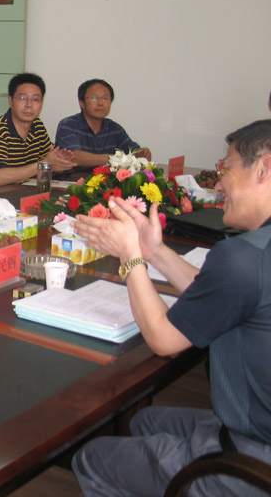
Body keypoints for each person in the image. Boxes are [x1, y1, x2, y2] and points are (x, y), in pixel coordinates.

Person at [71, 119, 271, 496]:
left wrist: (131, 256)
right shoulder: (258, 253)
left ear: (264, 168)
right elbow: (220, 297)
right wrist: (154, 251)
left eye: (226, 168)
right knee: (144, 420)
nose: (218, 184)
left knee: (91, 457)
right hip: (253, 429)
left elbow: (163, 339)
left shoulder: (244, 256)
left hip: (254, 461)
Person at [0, 72, 76, 190]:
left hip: (24, 192)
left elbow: (47, 160)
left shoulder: (37, 125)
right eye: (23, 98)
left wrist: (60, 161)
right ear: (10, 101)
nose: (29, 105)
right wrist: (44, 164)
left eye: (35, 99)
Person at [55, 78, 151, 172]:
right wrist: (112, 158)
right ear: (82, 103)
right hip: (70, 181)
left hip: (103, 181)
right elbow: (74, 157)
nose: (100, 103)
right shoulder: (68, 125)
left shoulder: (115, 129)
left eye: (105, 98)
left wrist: (142, 153)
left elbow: (132, 152)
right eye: (93, 98)